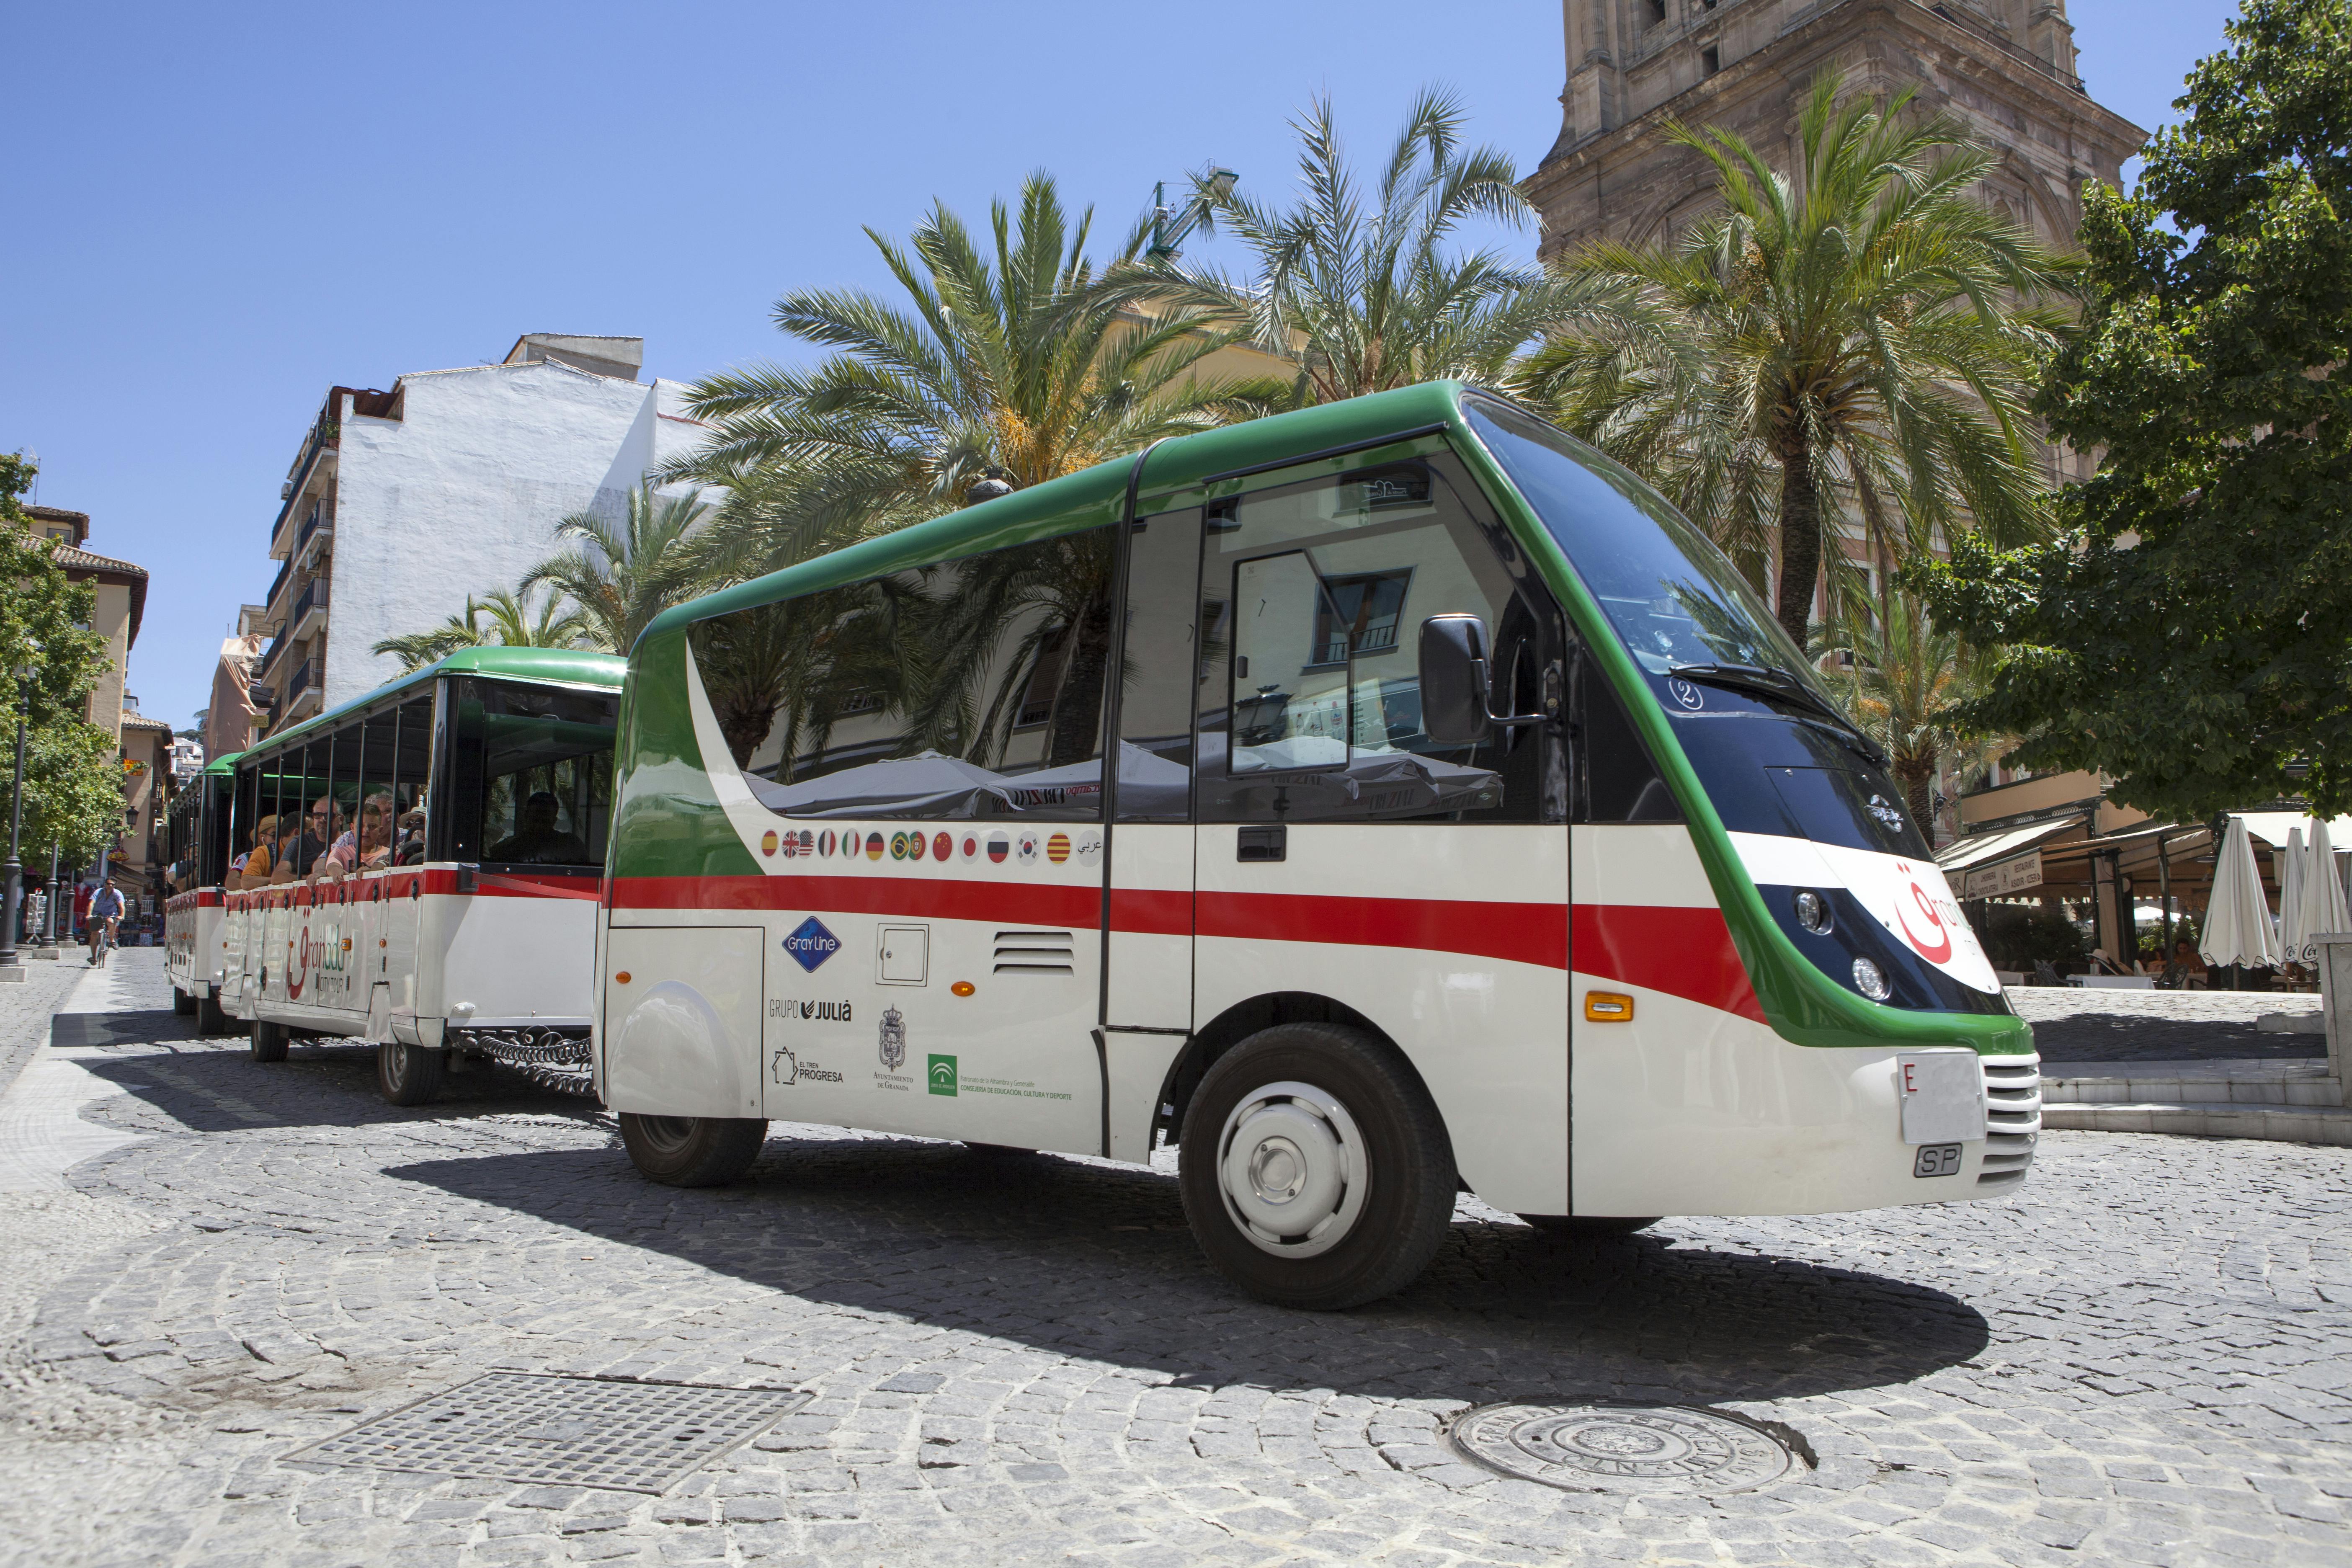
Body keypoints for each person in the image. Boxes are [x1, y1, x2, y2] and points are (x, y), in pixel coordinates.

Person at [487, 791, 590, 864]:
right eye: (535, 820)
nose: (539, 826)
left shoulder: (571, 845)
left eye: (544, 821)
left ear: (554, 821)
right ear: (526, 817)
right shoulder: (507, 848)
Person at [85, 877, 125, 964]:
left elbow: (122, 906)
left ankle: (111, 940)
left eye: (113, 884)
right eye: (108, 884)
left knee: (111, 922)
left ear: (115, 886)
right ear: (105, 884)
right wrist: (89, 914)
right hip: (98, 914)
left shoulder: (118, 894)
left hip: (110, 914)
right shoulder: (98, 892)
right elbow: (92, 903)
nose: (110, 886)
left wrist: (122, 916)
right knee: (94, 935)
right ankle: (93, 957)